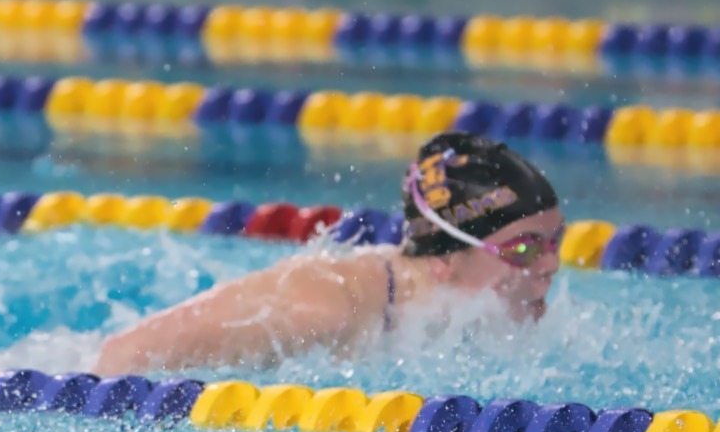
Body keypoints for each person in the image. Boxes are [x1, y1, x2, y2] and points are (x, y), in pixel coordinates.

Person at [93, 132, 564, 374]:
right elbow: (118, 360)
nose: (551, 266)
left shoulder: (449, 319)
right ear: (444, 260)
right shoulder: (325, 306)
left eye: (555, 242)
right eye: (523, 249)